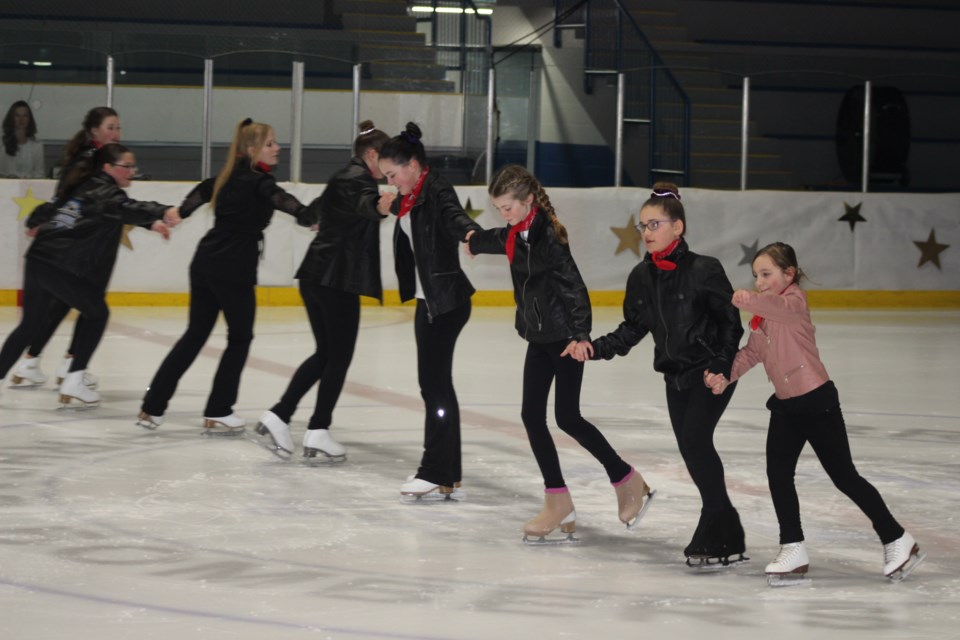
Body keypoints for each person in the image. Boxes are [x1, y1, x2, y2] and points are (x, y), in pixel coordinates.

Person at [704, 242, 924, 583]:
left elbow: (775, 305)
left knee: (844, 477)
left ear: (789, 274)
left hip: (816, 401)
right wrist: (725, 375)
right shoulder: (763, 318)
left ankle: (896, 537)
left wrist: (747, 298)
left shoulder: (793, 303)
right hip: (786, 407)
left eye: (766, 274)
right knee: (778, 476)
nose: (760, 282)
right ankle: (793, 547)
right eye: (756, 276)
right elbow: (751, 353)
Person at [467, 165, 655, 543]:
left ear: (528, 202)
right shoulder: (518, 231)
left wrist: (580, 333)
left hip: (564, 337)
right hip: (539, 335)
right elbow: (502, 237)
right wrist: (473, 239)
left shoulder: (548, 235)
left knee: (568, 416)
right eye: (497, 208)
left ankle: (628, 481)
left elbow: (573, 285)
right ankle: (558, 500)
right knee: (531, 415)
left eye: (507, 207)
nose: (502, 214)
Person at [578, 182, 747, 567]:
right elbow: (633, 329)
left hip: (709, 374)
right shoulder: (641, 276)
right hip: (674, 379)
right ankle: (728, 528)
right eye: (642, 226)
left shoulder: (705, 269)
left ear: (678, 227)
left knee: (696, 441)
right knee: (693, 450)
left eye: (654, 224)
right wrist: (596, 348)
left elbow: (730, 326)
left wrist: (721, 366)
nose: (646, 233)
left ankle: (715, 525)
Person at [138, 118, 313, 433]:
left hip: (205, 262)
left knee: (194, 336)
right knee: (240, 337)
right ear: (251, 149)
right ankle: (219, 408)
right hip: (232, 268)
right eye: (270, 143)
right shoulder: (259, 182)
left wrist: (180, 212)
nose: (278, 148)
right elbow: (284, 202)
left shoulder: (227, 176)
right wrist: (308, 216)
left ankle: (152, 408)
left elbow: (201, 192)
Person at [0, 143, 177, 406]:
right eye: (126, 166)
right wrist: (162, 210)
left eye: (133, 166)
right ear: (108, 167)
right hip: (61, 265)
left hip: (39, 260)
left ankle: (63, 378)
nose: (132, 171)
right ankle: (73, 381)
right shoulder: (105, 192)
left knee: (31, 325)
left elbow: (106, 211)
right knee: (97, 313)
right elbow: (125, 206)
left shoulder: (84, 185)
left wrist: (151, 223)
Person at [255, 120, 391, 461]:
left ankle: (279, 414)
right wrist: (380, 206)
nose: (390, 169)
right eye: (387, 160)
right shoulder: (358, 180)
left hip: (319, 276)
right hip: (335, 279)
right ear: (372, 154)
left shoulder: (344, 176)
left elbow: (314, 211)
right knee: (338, 357)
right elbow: (365, 204)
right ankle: (318, 430)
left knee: (326, 354)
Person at [376, 122, 482, 501]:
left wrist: (471, 234)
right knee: (434, 386)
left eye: (393, 174)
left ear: (414, 165)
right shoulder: (412, 195)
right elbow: (413, 220)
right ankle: (445, 472)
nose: (391, 181)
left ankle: (436, 470)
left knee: (435, 387)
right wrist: (389, 207)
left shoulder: (435, 189)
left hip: (446, 302)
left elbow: (453, 216)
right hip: (430, 301)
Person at [9, 106, 122, 390]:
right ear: (94, 130)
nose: (116, 133)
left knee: (63, 304)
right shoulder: (90, 160)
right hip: (77, 246)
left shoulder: (98, 158)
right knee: (87, 304)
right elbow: (67, 199)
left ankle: (40, 361)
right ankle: (68, 365)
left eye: (118, 127)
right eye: (110, 127)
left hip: (77, 245)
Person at [0, 100, 45, 179]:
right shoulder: (2, 144)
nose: (21, 119)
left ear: (29, 119)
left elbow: (39, 174)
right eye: (17, 115)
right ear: (11, 118)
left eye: (25, 116)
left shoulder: (37, 145)